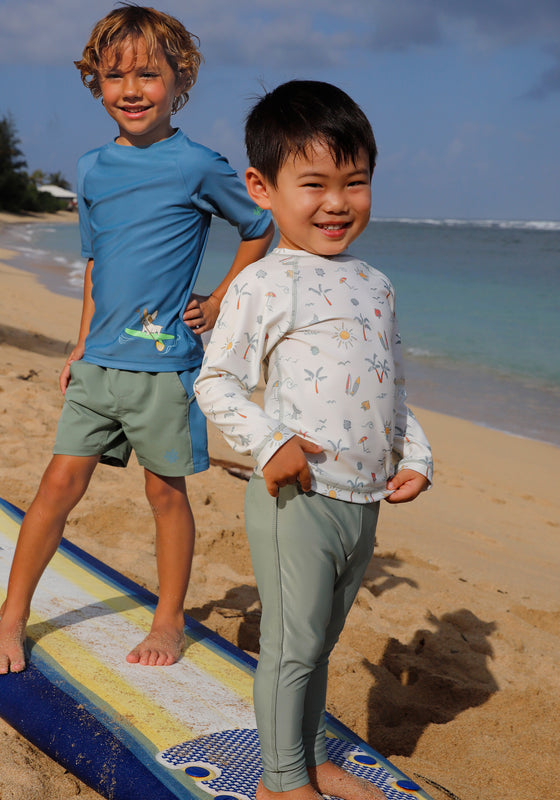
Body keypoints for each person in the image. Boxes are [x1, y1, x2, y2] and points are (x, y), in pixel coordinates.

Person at [0, 4, 274, 674]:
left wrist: (217, 300)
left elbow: (259, 227)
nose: (131, 89)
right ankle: (10, 619)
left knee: (164, 493)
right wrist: (77, 343)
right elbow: (95, 264)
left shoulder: (199, 165)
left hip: (164, 367)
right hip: (98, 363)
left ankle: (169, 619)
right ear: (96, 84)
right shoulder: (91, 169)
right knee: (56, 486)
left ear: (181, 81)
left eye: (149, 75)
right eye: (114, 75)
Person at [194, 80, 433, 800]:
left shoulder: (376, 285)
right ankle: (280, 783)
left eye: (355, 183)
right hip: (295, 496)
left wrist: (415, 455)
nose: (337, 202)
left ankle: (308, 760)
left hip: (364, 501)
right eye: (315, 184)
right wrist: (270, 444)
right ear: (263, 188)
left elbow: (387, 389)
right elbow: (217, 384)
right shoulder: (265, 284)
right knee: (290, 648)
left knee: (318, 646)